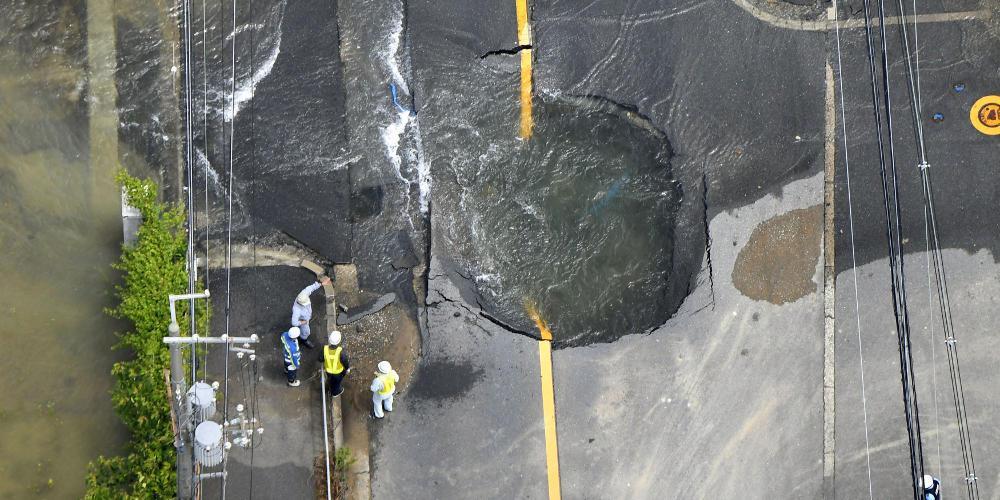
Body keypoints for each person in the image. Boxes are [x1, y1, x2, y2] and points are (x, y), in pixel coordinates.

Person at [291, 276, 331, 349]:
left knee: (303, 330)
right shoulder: (297, 310)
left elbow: (310, 288)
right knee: (306, 332)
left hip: (306, 317)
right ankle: (303, 340)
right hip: (304, 320)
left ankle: (300, 336)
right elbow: (294, 322)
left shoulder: (303, 294)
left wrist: (321, 284)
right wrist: (302, 322)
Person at [320, 330, 351, 397]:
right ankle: (335, 393)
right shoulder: (340, 351)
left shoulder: (324, 349)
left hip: (328, 371)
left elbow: (320, 359)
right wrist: (347, 368)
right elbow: (345, 361)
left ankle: (331, 387)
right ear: (339, 341)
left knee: (331, 380)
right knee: (337, 383)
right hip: (338, 373)